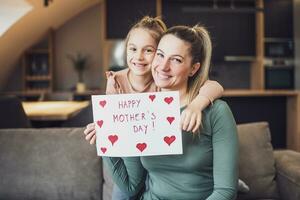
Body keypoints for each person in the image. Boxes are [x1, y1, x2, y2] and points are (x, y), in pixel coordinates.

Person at [84, 17, 225, 200]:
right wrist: (103, 130)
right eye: (133, 49)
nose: (139, 57)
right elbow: (113, 121)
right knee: (122, 195)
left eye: (149, 51)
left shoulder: (163, 79)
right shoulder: (116, 80)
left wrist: (197, 104)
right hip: (132, 150)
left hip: (158, 154)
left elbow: (214, 86)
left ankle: (231, 179)